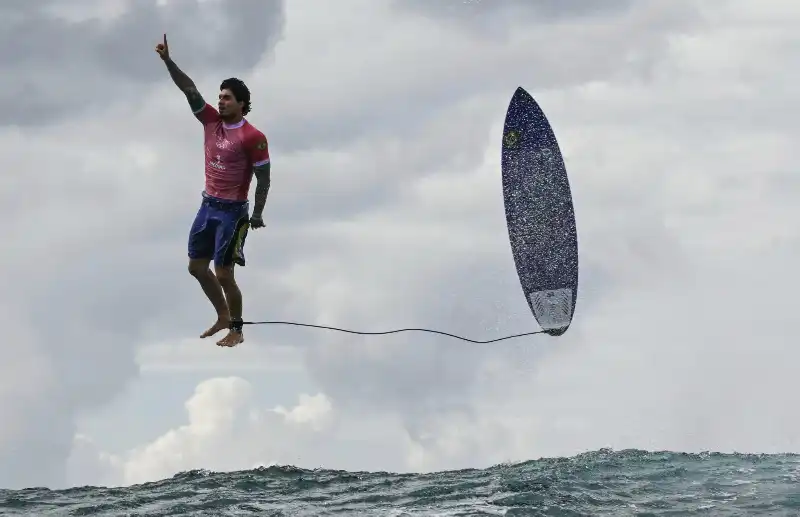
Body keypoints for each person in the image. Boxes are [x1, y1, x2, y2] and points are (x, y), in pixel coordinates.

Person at [155, 33, 271, 348]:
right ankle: (222, 314)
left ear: (242, 104)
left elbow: (264, 177)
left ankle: (236, 328)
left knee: (223, 274)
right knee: (196, 267)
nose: (220, 101)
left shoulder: (253, 136)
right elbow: (189, 89)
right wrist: (168, 61)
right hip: (208, 205)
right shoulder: (210, 121)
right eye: (219, 97)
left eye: (227, 98)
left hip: (233, 213)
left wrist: (257, 213)